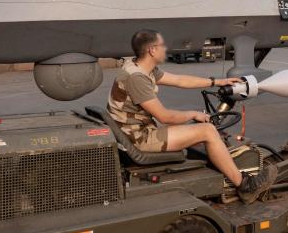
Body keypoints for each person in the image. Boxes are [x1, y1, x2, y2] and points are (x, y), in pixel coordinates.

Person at [108, 29, 277, 204]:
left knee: (193, 126)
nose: (165, 49)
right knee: (208, 131)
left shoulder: (137, 67)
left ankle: (219, 165)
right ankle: (245, 186)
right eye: (162, 45)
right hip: (140, 138)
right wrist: (194, 114)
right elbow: (165, 116)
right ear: (152, 50)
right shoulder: (137, 78)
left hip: (132, 131)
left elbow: (180, 80)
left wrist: (216, 81)